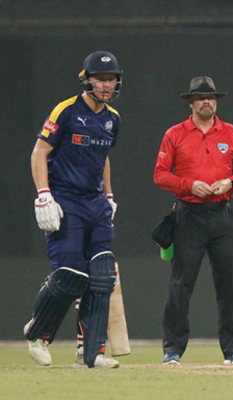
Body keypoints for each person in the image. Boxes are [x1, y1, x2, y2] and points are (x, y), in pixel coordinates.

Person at [24, 51, 123, 369]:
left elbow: (103, 157)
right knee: (70, 275)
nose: (106, 85)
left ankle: (90, 354)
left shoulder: (113, 118)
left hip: (96, 203)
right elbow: (39, 152)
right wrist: (44, 195)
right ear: (86, 80)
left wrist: (109, 195)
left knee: (102, 277)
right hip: (65, 199)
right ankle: (38, 333)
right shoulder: (66, 110)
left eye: (111, 80)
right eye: (100, 79)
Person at [154, 76, 233, 365]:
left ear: (216, 101)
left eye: (211, 97)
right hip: (189, 215)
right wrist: (188, 185)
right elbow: (160, 174)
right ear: (191, 103)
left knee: (227, 285)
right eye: (200, 98)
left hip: (221, 215)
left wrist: (230, 183)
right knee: (180, 285)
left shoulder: (231, 133)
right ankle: (172, 350)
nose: (207, 102)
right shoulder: (175, 134)